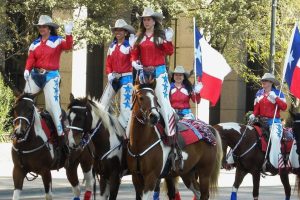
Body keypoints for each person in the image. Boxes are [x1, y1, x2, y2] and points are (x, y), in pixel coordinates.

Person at [23, 15, 73, 162]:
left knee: (52, 105)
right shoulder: (35, 43)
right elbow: (31, 58)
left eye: (44, 27)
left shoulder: (56, 41)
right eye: (39, 27)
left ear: (49, 28)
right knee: (24, 100)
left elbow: (68, 46)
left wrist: (69, 34)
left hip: (51, 76)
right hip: (36, 75)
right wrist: (27, 69)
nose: (41, 29)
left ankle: (61, 137)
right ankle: (23, 130)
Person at [100, 19, 135, 130]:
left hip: (127, 77)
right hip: (114, 77)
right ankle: (101, 128)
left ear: (126, 32)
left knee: (125, 107)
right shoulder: (111, 47)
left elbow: (134, 59)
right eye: (116, 30)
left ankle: (126, 132)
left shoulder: (129, 45)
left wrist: (134, 48)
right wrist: (109, 74)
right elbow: (108, 63)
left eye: (121, 30)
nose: (118, 32)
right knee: (102, 104)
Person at [248, 72, 287, 170]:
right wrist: (253, 114)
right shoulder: (259, 93)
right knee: (245, 134)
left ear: (270, 82)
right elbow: (256, 109)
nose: (263, 82)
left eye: (265, 81)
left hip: (274, 121)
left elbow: (284, 107)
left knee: (274, 138)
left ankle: (273, 164)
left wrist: (276, 98)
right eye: (262, 81)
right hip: (260, 121)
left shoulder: (278, 93)